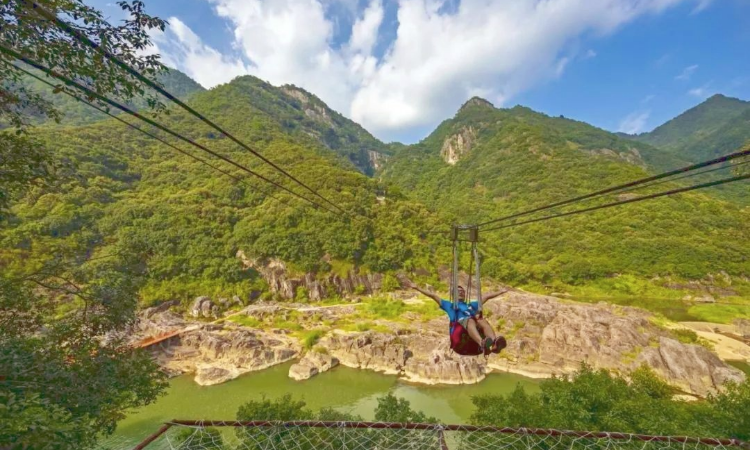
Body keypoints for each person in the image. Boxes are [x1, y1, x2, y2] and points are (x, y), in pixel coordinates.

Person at [401, 278, 509, 354]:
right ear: (454, 295)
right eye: (458, 292)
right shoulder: (449, 305)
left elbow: (486, 297)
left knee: (482, 320)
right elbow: (433, 296)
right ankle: (482, 343)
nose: (461, 293)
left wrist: (501, 292)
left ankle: (494, 344)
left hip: (471, 331)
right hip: (458, 332)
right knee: (470, 320)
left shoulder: (471, 305)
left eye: (462, 291)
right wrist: (417, 288)